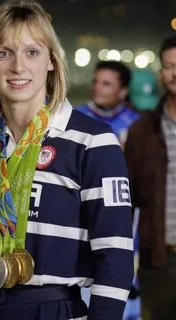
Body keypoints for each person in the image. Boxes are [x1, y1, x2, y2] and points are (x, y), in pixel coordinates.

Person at [0, 1, 134, 319]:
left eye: (32, 52)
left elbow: (116, 257)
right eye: (3, 53)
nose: (18, 67)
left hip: (54, 310)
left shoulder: (92, 141)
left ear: (52, 61)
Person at [125, 34, 176, 319]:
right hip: (158, 260)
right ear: (161, 74)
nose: (175, 73)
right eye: (169, 66)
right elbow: (127, 199)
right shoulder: (141, 132)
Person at [76, 61, 140, 148]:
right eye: (95, 81)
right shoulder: (76, 117)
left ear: (123, 91)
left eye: (106, 84)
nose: (96, 87)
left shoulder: (135, 122)